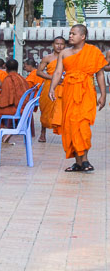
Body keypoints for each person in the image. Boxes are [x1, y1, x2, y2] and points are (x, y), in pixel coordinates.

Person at [49, 24, 107, 172]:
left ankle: (85, 160)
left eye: (73, 34)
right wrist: (52, 88)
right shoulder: (64, 53)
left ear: (83, 36)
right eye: (70, 33)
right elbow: (57, 73)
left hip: (86, 92)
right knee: (70, 125)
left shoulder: (92, 51)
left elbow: (100, 74)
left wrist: (103, 95)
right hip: (69, 91)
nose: (70, 36)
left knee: (83, 125)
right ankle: (78, 162)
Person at [0, 58, 29, 134]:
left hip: (17, 109)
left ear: (6, 68)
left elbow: (4, 102)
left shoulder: (9, 79)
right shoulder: (22, 78)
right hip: (24, 108)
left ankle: (5, 131)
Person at [37, 37, 67, 143]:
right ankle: (43, 133)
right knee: (45, 109)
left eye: (62, 44)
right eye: (57, 44)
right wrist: (53, 78)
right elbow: (39, 72)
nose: (59, 46)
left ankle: (65, 134)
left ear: (65, 46)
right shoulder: (47, 58)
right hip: (49, 86)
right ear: (53, 44)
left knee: (63, 110)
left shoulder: (68, 58)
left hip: (64, 86)